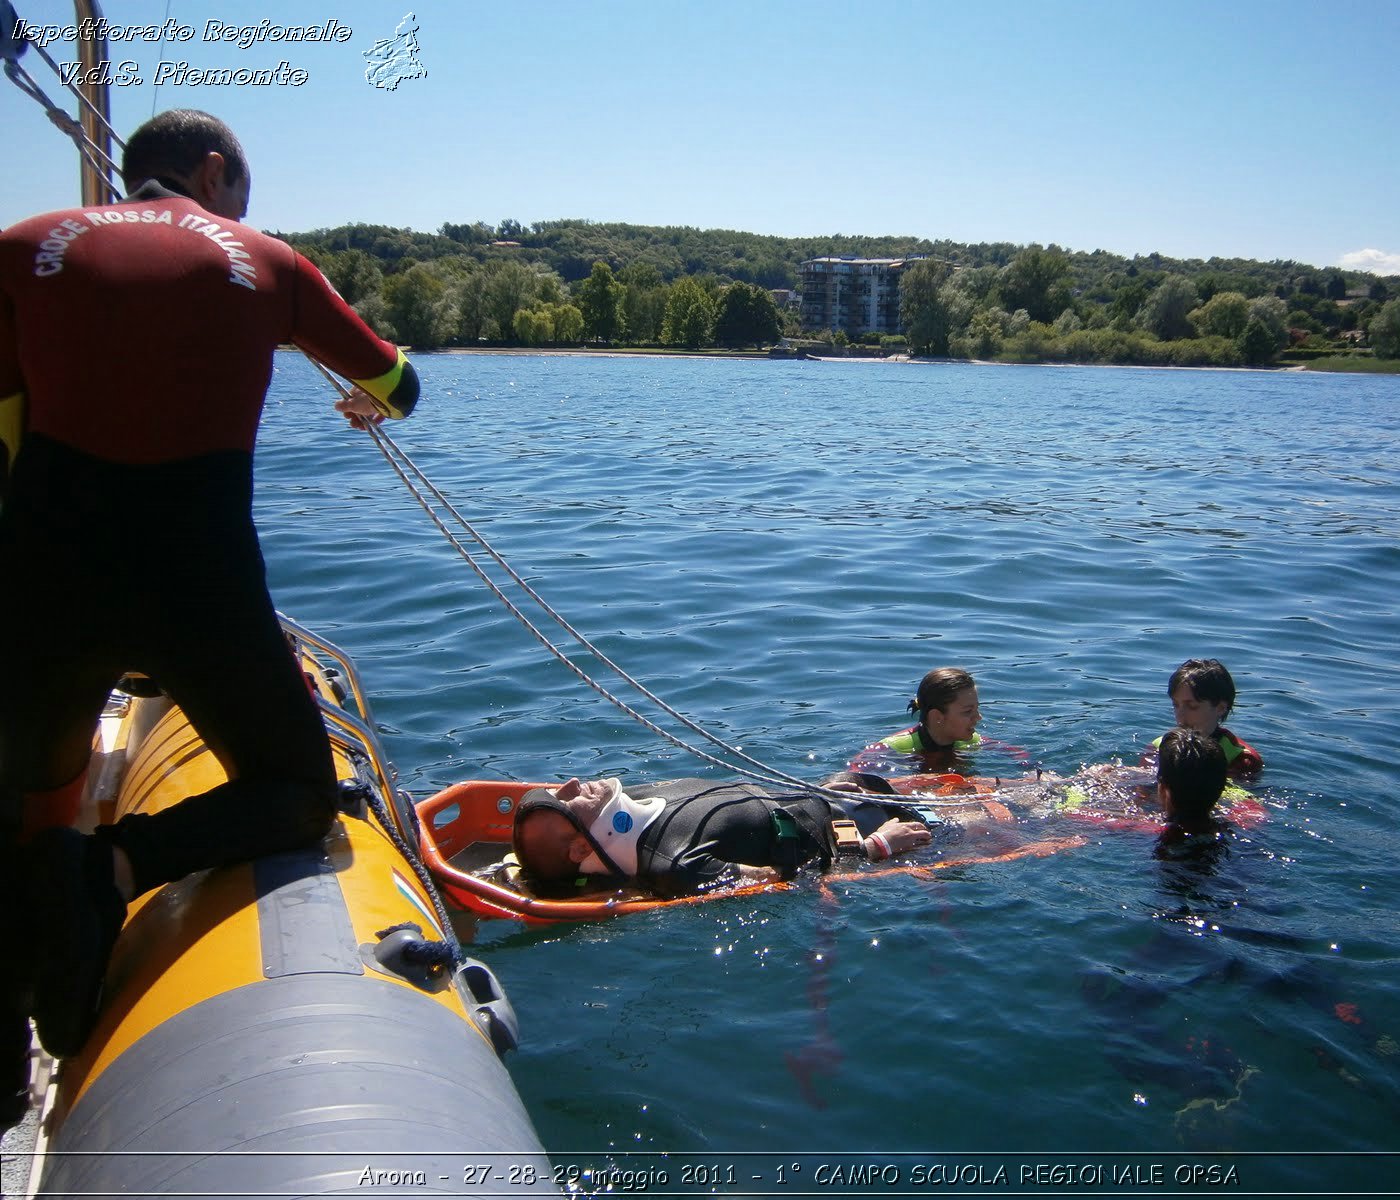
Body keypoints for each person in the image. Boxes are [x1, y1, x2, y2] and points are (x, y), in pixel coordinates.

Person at [0, 109, 420, 1085]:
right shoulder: (268, 264)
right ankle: (114, 869)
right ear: (216, 171)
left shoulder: (21, 248)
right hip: (199, 584)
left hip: (39, 578)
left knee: (30, 794)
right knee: (294, 794)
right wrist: (366, 396)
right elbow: (396, 382)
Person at [510, 773, 933, 899]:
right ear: (582, 847)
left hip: (824, 793)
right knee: (981, 819)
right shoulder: (675, 865)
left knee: (952, 787)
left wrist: (815, 788)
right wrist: (876, 847)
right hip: (858, 832)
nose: (572, 782)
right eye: (565, 799)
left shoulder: (630, 798)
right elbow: (779, 879)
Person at [850, 666, 1035, 776]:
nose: (978, 718)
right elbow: (854, 772)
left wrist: (1033, 772)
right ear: (937, 717)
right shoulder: (895, 747)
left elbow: (1019, 754)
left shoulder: (970, 741)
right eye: (968, 712)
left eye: (977, 709)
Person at [1143, 659, 1263, 777]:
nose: (1180, 716)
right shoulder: (1158, 748)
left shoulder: (1243, 760)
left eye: (1192, 706)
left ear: (1220, 708)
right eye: (1176, 705)